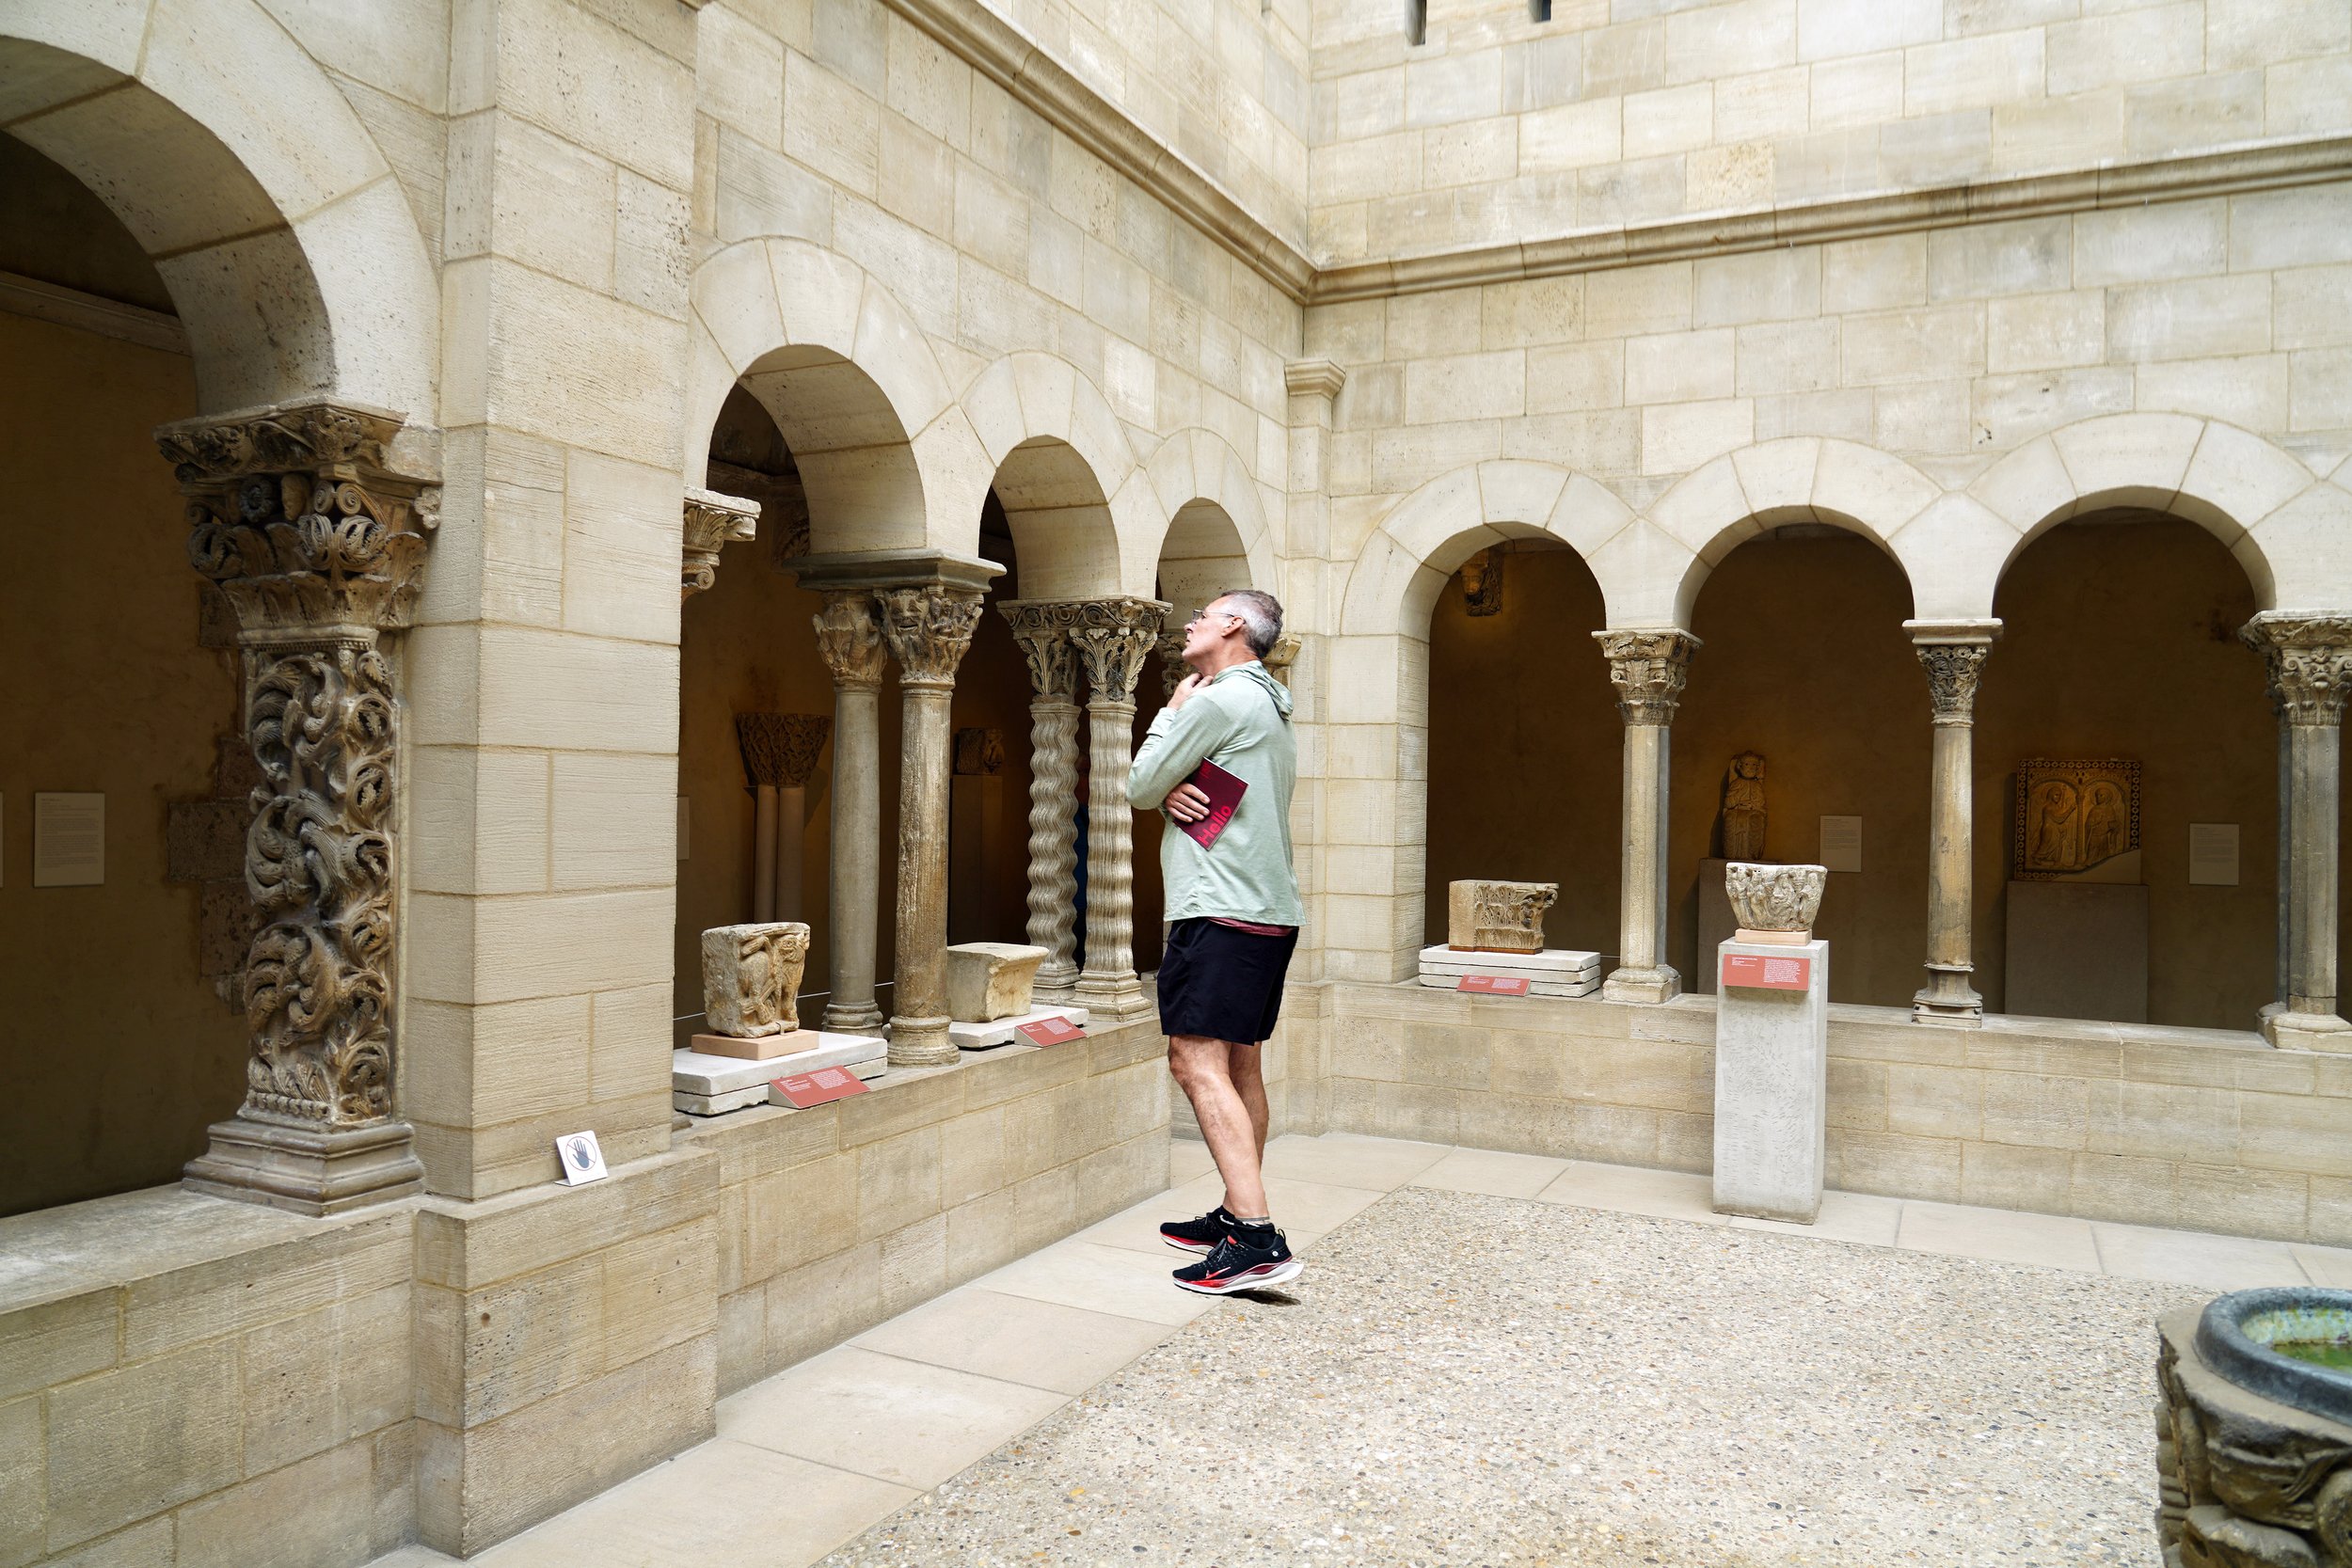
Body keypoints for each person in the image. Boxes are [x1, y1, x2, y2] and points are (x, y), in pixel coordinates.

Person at [1127, 588, 1304, 1295]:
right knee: (1240, 1066)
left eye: (1205, 611)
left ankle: (1256, 1236)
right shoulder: (1268, 704)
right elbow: (1205, 791)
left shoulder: (1214, 699)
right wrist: (1177, 789)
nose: (1192, 620)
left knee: (1193, 1061)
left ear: (1234, 626)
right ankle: (1237, 1213)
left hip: (1219, 909)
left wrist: (1168, 717)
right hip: (1266, 908)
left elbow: (1141, 784)